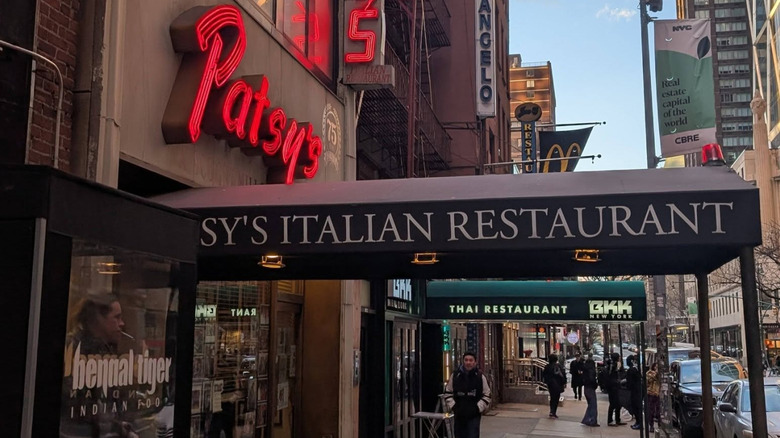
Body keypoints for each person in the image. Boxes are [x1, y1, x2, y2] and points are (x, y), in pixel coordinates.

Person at [62, 295, 139, 438]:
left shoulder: (106, 349)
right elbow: (76, 402)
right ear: (97, 319)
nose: (122, 323)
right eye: (116, 317)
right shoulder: (73, 348)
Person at [444, 352, 492, 438]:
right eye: (466, 360)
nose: (468, 362)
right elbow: (448, 393)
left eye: (471, 360)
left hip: (474, 416)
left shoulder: (480, 376)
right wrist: (454, 407)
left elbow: (487, 394)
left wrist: (477, 408)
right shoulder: (455, 375)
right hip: (459, 415)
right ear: (463, 361)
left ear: (475, 362)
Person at [604, 352, 626, 426]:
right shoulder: (613, 366)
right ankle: (610, 420)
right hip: (613, 387)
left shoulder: (612, 365)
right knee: (613, 404)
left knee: (618, 404)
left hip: (614, 386)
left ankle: (617, 419)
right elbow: (613, 375)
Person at [542, 354, 566, 419]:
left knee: (552, 397)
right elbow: (563, 374)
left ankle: (552, 411)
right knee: (556, 398)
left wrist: (547, 381)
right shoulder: (559, 366)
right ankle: (553, 412)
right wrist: (564, 382)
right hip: (558, 384)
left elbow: (544, 375)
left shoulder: (547, 367)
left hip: (551, 384)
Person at [580, 353, 599, 427]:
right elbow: (592, 379)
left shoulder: (585, 370)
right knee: (593, 405)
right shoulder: (591, 371)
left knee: (590, 405)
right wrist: (595, 384)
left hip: (586, 387)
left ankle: (587, 419)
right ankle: (592, 420)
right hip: (590, 388)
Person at [625, 355, 642, 430]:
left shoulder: (632, 370)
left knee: (636, 407)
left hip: (635, 391)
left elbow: (630, 382)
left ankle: (639, 423)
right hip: (637, 391)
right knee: (636, 407)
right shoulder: (634, 369)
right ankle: (638, 422)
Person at [646, 362, 661, 433]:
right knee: (651, 410)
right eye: (655, 367)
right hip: (651, 393)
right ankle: (651, 425)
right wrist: (656, 373)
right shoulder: (649, 373)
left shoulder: (660, 374)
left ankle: (660, 425)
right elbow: (649, 380)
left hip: (658, 394)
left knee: (659, 411)